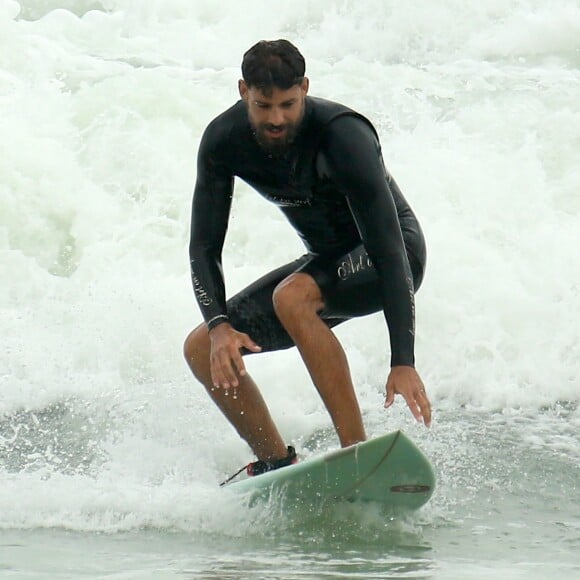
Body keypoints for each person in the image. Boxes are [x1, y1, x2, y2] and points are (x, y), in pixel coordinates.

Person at [183, 39, 432, 476]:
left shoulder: (343, 134)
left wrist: (403, 361)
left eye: (287, 104)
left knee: (292, 296)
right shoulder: (224, 141)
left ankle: (358, 454)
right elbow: (204, 246)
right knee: (203, 346)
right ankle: (276, 461)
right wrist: (221, 327)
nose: (276, 118)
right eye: (263, 106)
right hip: (327, 261)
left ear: (305, 89)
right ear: (244, 92)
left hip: (394, 255)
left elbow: (390, 251)